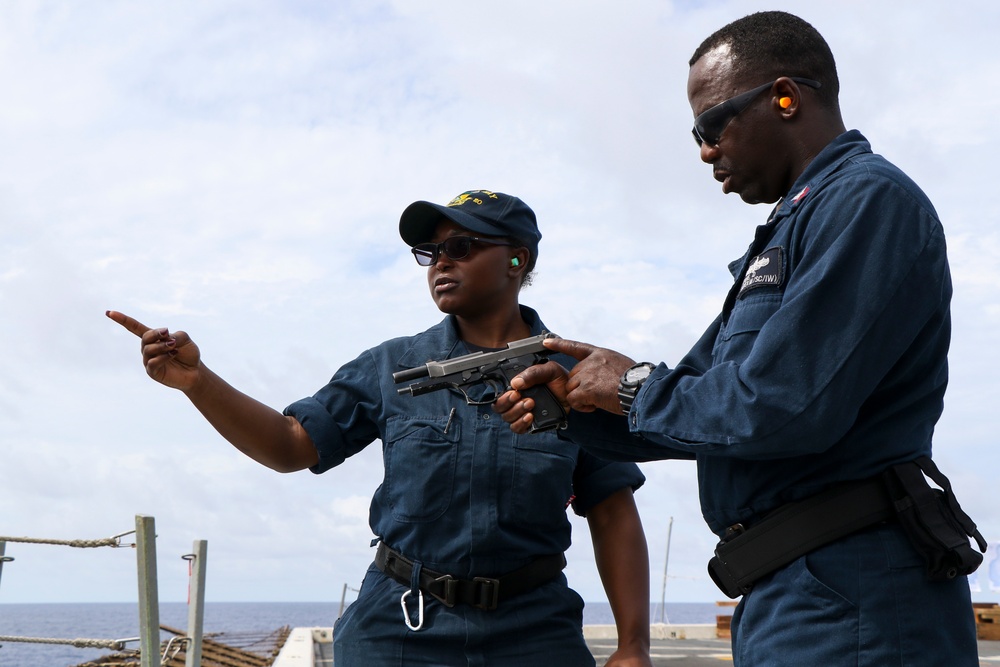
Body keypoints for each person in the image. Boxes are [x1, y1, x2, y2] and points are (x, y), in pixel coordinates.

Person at [495, 11, 982, 667]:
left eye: (711, 125)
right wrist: (576, 404)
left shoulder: (868, 201)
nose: (703, 150)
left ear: (785, 97)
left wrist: (632, 385)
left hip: (855, 602)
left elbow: (781, 406)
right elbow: (704, 404)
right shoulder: (789, 232)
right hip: (793, 595)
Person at [108, 189, 653, 667]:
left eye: (460, 247)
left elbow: (611, 508)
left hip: (535, 629)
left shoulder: (577, 376)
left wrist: (634, 645)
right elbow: (290, 446)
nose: (440, 262)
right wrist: (197, 381)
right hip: (400, 626)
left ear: (517, 258)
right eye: (430, 252)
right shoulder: (392, 367)